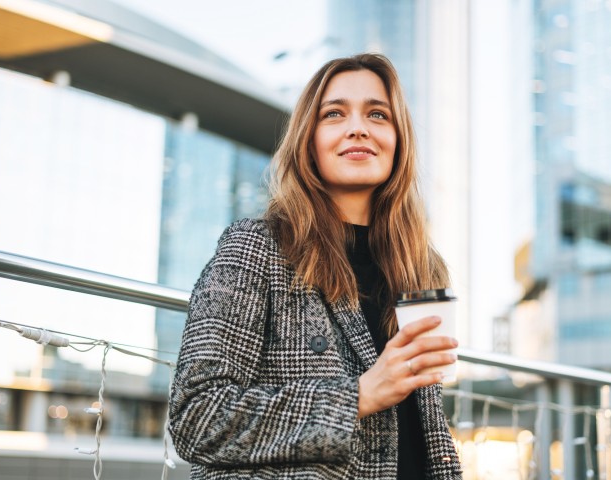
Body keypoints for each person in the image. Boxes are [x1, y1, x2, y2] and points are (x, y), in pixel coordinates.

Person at [168, 53, 462, 480]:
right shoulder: (257, 246)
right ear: (309, 138)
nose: (358, 127)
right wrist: (358, 396)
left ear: (398, 139)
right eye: (335, 114)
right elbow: (196, 417)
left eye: (378, 114)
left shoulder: (422, 268)